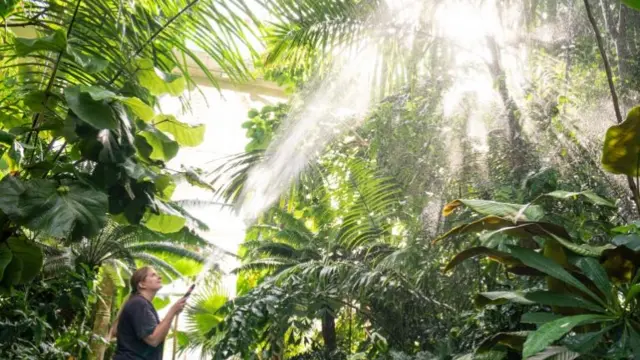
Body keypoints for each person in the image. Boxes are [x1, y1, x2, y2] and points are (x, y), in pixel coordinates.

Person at [111, 266, 187, 360]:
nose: (159, 277)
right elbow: (153, 340)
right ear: (142, 284)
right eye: (153, 275)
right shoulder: (139, 304)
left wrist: (173, 313)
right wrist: (172, 311)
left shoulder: (141, 304)